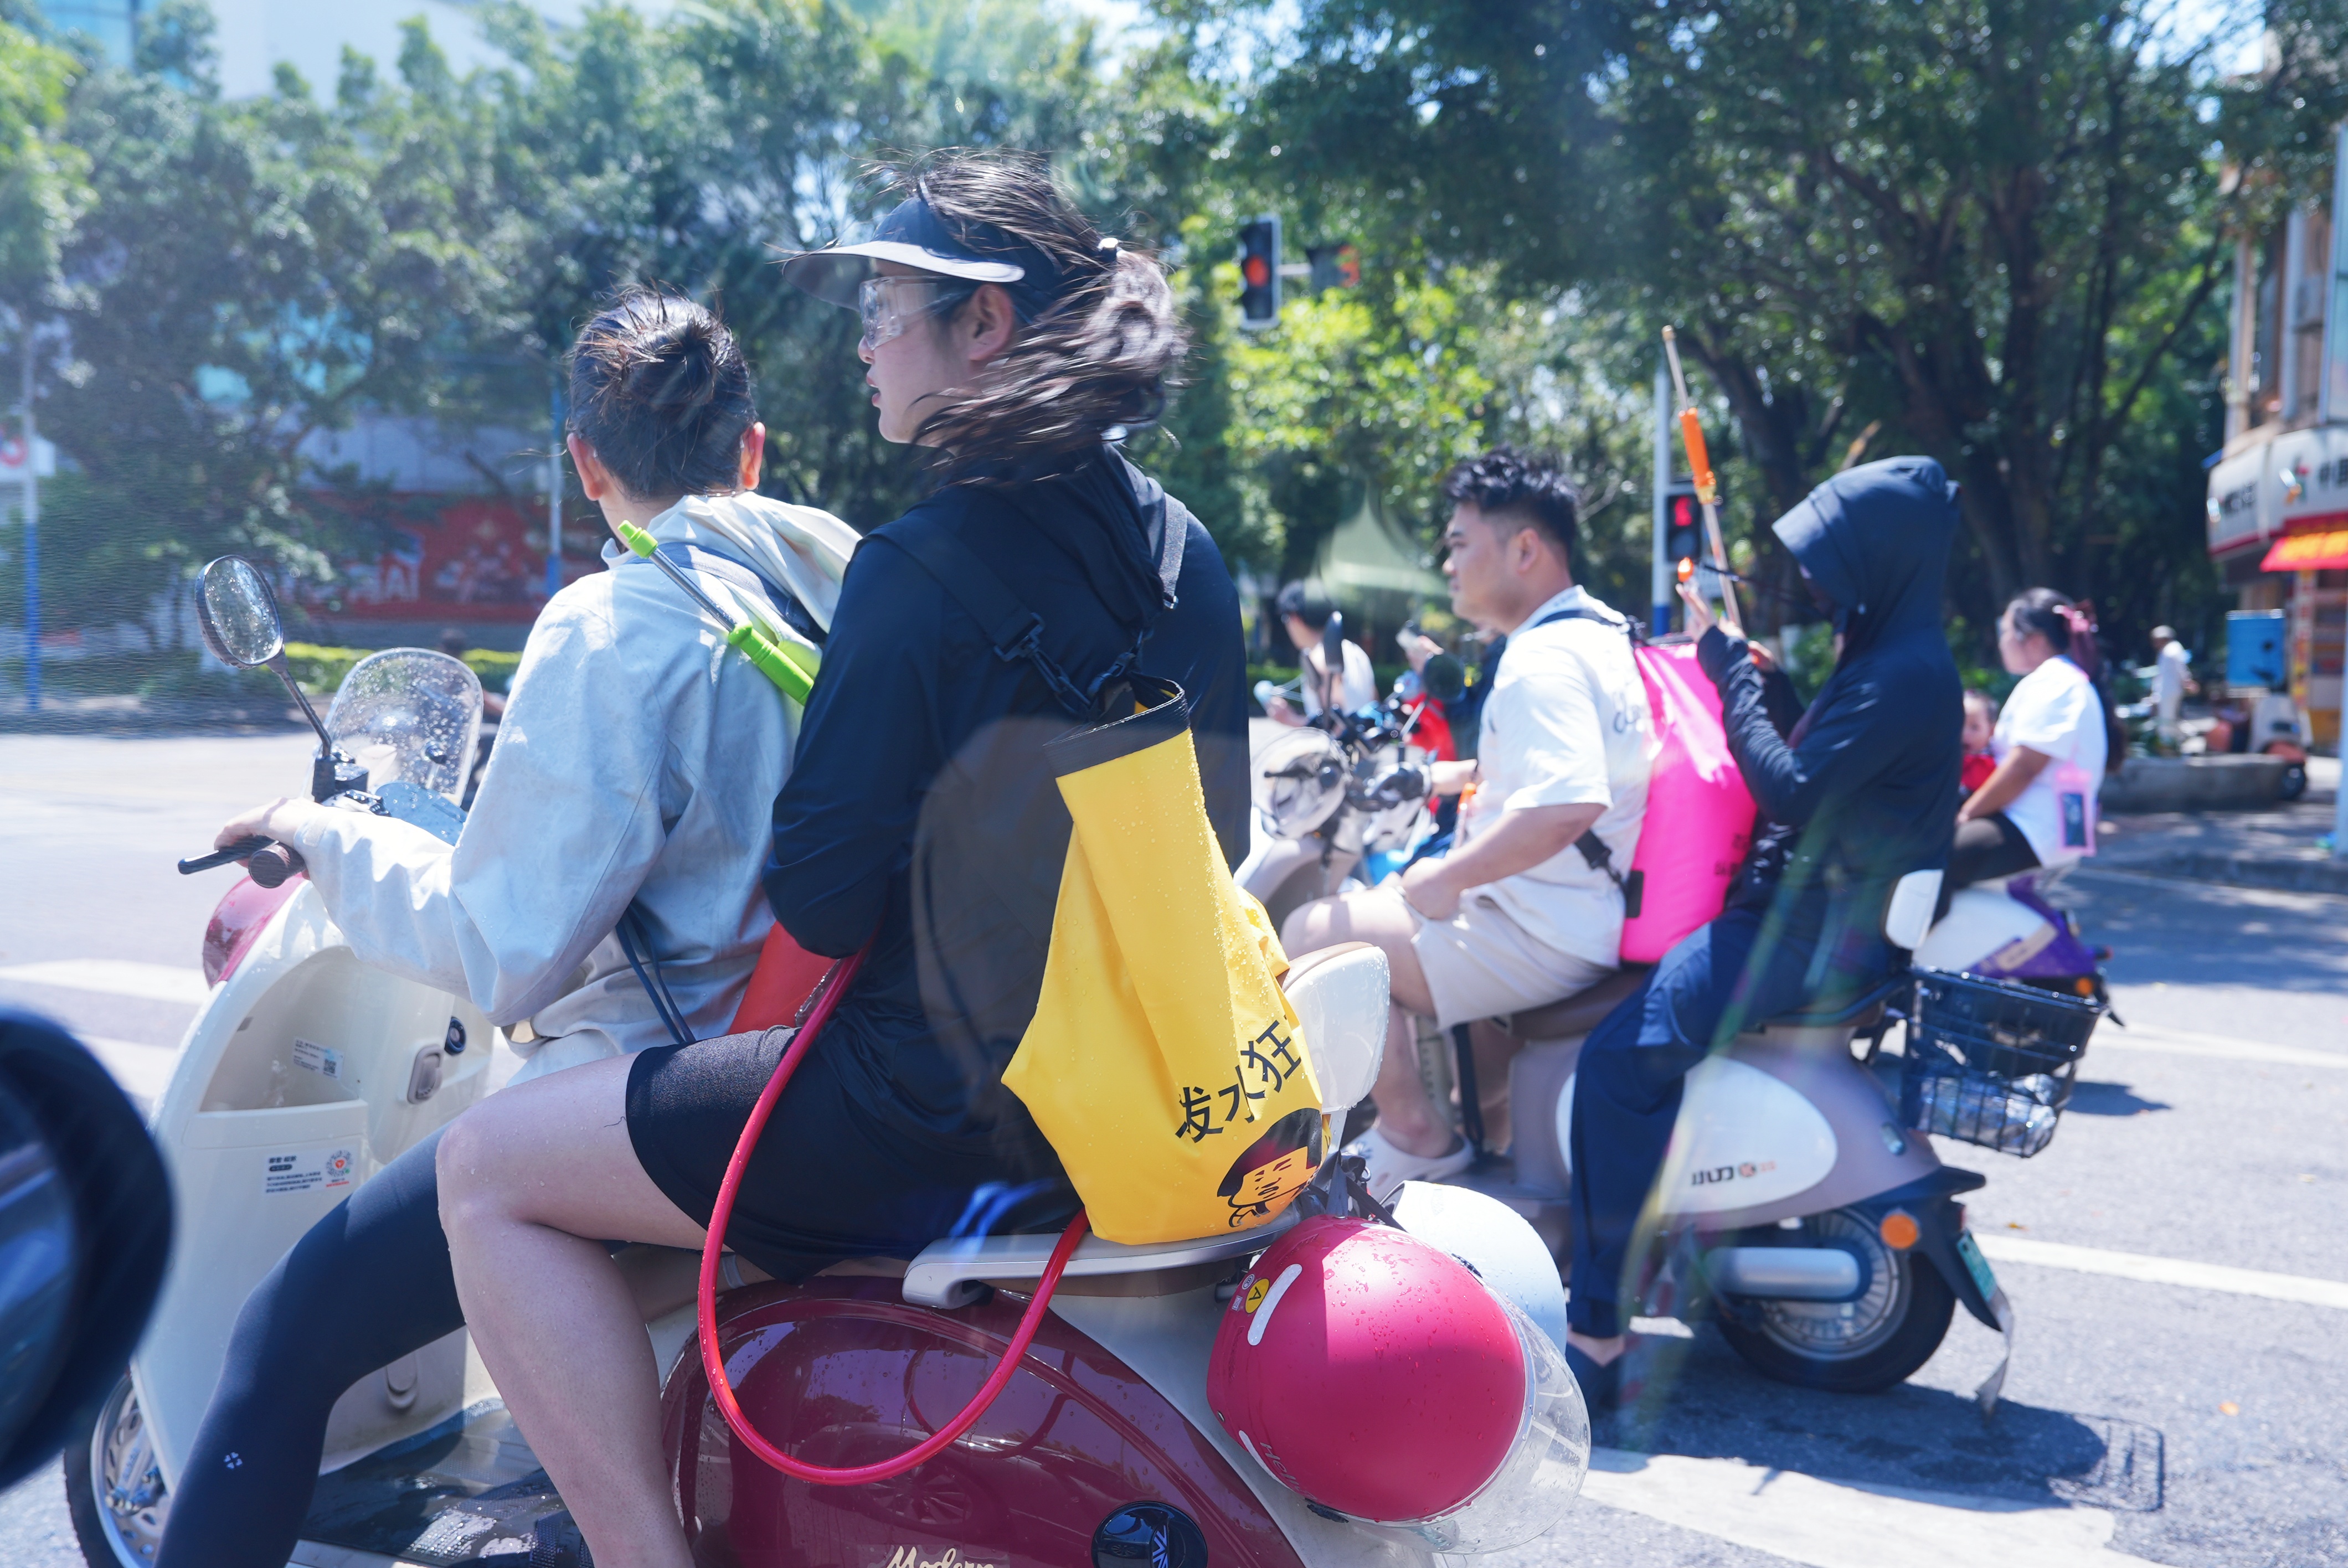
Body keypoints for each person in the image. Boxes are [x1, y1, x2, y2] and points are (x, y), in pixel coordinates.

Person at [431, 150, 1242, 1566]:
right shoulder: (1185, 552)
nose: (863, 344)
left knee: (483, 1168)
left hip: (924, 1108)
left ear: (980, 326)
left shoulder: (918, 565)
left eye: (880, 311)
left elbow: (820, 892)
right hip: (1134, 1094)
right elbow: (1217, 838)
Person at [155, 289, 854, 1568]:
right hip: (810, 1070)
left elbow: (502, 950)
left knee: (280, 1338)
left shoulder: (618, 624)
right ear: (751, 451)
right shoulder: (833, 597)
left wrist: (325, 837)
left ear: (586, 464)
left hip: (646, 1096)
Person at [1563, 457, 1963, 1409]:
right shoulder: (1895, 657)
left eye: (1831, 561)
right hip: (1823, 920)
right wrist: (1771, 690)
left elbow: (1790, 789)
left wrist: (1731, 675)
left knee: (1616, 1066)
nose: (1815, 579)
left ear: (1881, 560)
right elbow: (1825, 766)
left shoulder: (1900, 674)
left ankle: (1598, 1334)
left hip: (1801, 931)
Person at [1280, 447, 1651, 1194]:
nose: (1447, 564)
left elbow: (1569, 803)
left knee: (1316, 932)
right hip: (1580, 909)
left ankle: (1414, 1137)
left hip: (1541, 926)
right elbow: (1555, 770)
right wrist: (1445, 777)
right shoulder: (1602, 632)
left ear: (1524, 549)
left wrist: (1446, 879)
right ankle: (1488, 1151)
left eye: (1458, 543)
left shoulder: (1542, 659)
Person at [1944, 589, 2121, 898]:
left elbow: (2023, 768)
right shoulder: (2055, 680)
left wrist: (1967, 814)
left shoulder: (2056, 683)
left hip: (2033, 827)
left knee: (1928, 862)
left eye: (2004, 632)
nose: (2001, 642)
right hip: (2029, 822)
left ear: (2034, 640)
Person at [1263, 578, 1376, 726]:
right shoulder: (1355, 651)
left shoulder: (1319, 658)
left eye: (1285, 619)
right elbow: (1373, 707)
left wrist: (1290, 719)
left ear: (1295, 617)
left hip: (1341, 742)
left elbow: (1336, 725)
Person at [2151, 622, 2195, 749]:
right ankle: (2175, 742)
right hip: (2168, 691)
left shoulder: (2172, 650)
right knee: (2170, 719)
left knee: (2167, 720)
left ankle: (2169, 745)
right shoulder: (2168, 650)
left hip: (2169, 691)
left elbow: (2181, 669)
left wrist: (2187, 682)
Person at [1960, 689, 1999, 794]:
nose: (1964, 733)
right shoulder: (1944, 758)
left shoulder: (1989, 767)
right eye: (1960, 725)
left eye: (1974, 727)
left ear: (1991, 731)